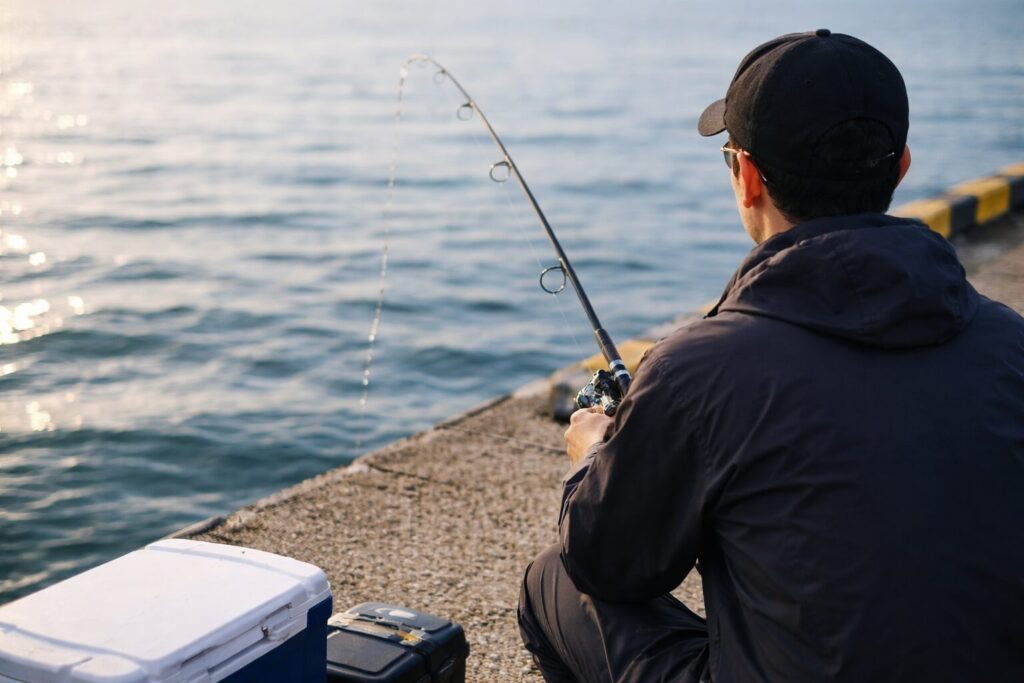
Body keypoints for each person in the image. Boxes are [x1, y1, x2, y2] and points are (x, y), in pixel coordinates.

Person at [517, 29, 1024, 683]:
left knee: (553, 580)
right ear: (900, 168)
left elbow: (607, 560)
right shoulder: (1008, 342)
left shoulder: (701, 369)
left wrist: (591, 459)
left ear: (748, 175)